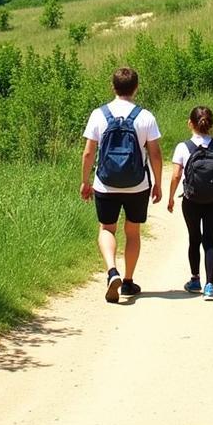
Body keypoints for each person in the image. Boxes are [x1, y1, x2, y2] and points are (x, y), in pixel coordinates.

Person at [80, 66, 163, 302]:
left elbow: (88, 153)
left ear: (113, 87)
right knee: (133, 231)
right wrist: (157, 183)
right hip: (137, 184)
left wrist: (85, 182)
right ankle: (127, 281)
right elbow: (155, 153)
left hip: (105, 184)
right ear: (136, 88)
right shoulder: (145, 116)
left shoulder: (99, 114)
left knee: (107, 228)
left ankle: (111, 270)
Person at [167, 106, 213, 300]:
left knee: (194, 238)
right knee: (210, 241)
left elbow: (175, 175)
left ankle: (195, 279)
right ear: (210, 125)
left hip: (191, 200)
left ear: (190, 123)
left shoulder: (183, 147)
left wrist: (171, 198)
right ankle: (210, 285)